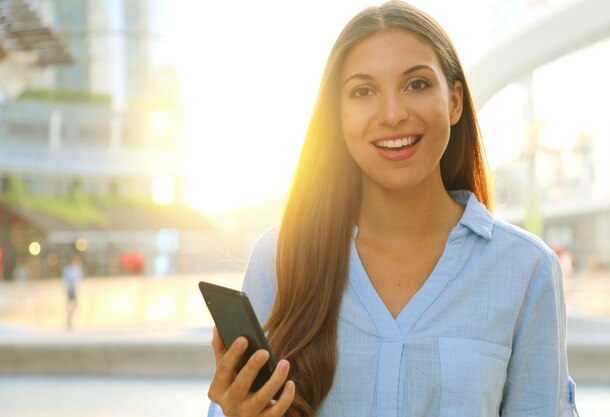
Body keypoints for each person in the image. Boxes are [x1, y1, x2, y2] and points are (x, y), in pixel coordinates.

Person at [207, 1, 578, 416]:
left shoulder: (526, 270)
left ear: (454, 102)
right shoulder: (279, 259)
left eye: (416, 84)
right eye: (363, 91)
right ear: (338, 115)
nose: (392, 114)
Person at [62, 254, 83, 330]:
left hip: (74, 289)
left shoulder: (77, 269)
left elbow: (78, 280)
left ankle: (70, 318)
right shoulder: (68, 269)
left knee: (74, 305)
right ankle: (68, 320)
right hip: (70, 290)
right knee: (70, 305)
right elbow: (66, 279)